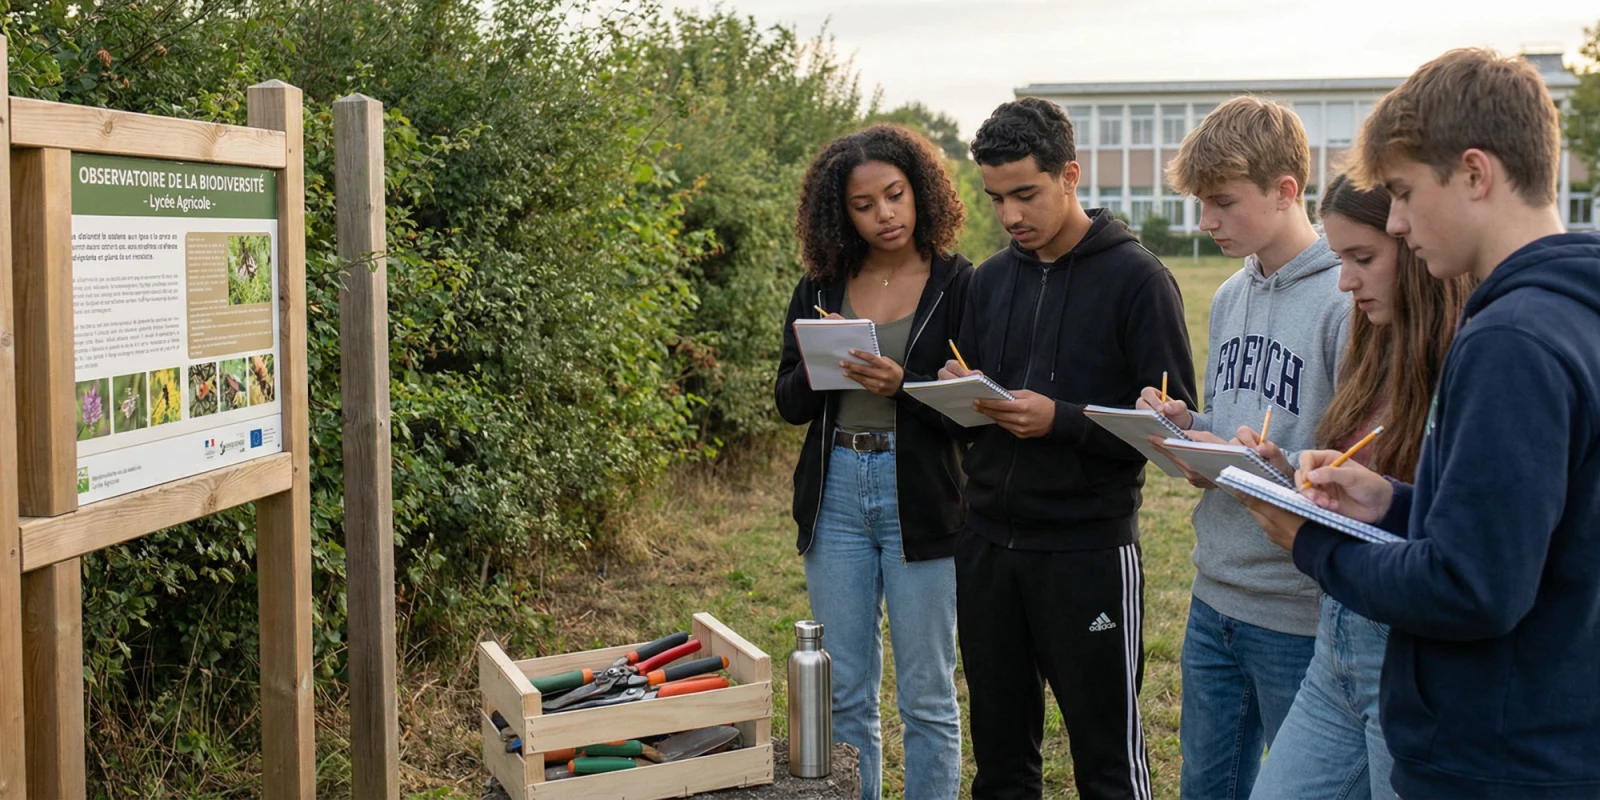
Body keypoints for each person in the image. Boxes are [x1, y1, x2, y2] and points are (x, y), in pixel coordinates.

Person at [1244, 49, 1600, 800]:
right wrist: (1394, 504)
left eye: (1404, 193)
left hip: (1495, 757)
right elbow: (1529, 532)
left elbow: (1471, 588)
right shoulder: (1569, 311)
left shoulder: (1514, 339)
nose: (1398, 220)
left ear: (1475, 174)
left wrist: (1310, 543)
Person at [939, 97, 1195, 800]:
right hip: (987, 545)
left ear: (1070, 174)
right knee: (999, 759)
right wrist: (962, 391)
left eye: (1026, 193)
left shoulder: (1139, 280)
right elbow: (975, 406)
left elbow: (1173, 430)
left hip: (1087, 551)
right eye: (996, 199)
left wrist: (1064, 420)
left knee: (1107, 760)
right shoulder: (988, 281)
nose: (1012, 216)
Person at [1140, 95, 1351, 800]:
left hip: (1296, 607)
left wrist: (1282, 471)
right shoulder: (1230, 295)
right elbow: (1238, 416)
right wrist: (1184, 422)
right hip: (1214, 594)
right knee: (1205, 785)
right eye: (1202, 203)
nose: (1206, 222)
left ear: (1287, 189)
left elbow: (1357, 461)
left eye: (1223, 203)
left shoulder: (1345, 301)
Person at [1246, 173, 1473, 800]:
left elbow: (1462, 553)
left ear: (1417, 241)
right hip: (1335, 643)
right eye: (1339, 257)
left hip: (1410, 657)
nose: (1344, 281)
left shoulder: (1476, 361)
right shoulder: (1371, 342)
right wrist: (1305, 470)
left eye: (1362, 258)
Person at [774, 124, 972, 800]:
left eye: (895, 195)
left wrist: (905, 387)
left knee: (927, 693)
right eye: (865, 205)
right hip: (835, 494)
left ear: (921, 192)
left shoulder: (959, 283)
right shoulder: (822, 285)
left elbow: (973, 413)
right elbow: (788, 402)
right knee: (847, 690)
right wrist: (818, 368)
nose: (885, 214)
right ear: (842, 212)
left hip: (921, 494)